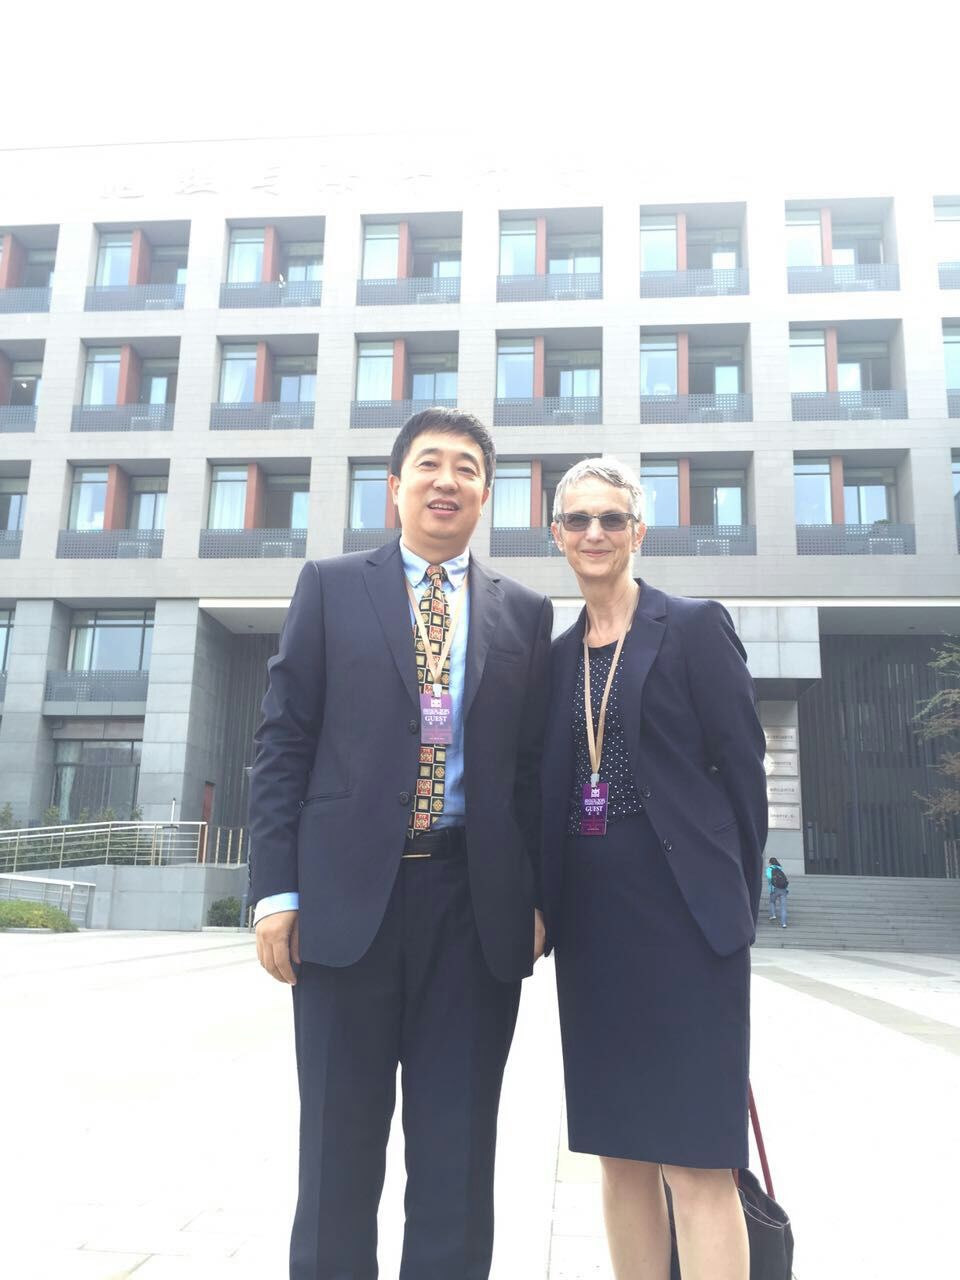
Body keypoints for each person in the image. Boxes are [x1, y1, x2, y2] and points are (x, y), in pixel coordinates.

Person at [248, 407, 552, 1280]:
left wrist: (539, 898)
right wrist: (276, 892)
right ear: (395, 486)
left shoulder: (525, 613)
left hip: (473, 911)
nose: (446, 480)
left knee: (458, 1152)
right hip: (346, 908)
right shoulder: (330, 586)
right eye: (429, 464)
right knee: (336, 1149)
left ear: (486, 494)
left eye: (466, 468)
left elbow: (532, 771)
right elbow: (283, 743)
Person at [540, 458, 768, 1280]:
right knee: (620, 1154)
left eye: (611, 518)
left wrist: (731, 905)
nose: (595, 533)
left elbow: (744, 774)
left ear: (638, 531)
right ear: (557, 535)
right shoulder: (555, 657)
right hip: (594, 930)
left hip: (688, 923)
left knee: (700, 1160)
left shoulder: (694, 627)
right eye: (579, 520)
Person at [767, 856, 789, 928]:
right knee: (783, 907)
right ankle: (784, 923)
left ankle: (773, 915)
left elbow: (769, 877)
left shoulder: (769, 869)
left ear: (770, 863)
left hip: (774, 889)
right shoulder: (780, 869)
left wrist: (771, 883)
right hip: (783, 889)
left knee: (772, 901)